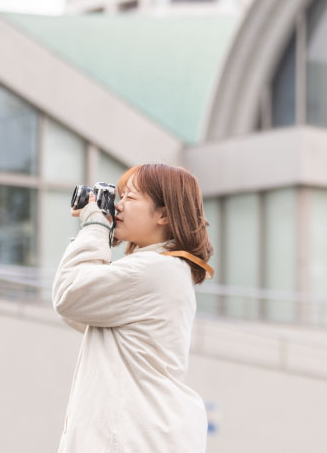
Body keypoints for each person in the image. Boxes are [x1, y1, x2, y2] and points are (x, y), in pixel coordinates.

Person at [52, 163, 215, 452]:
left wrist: (94, 228)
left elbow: (69, 294)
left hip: (130, 438)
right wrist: (100, 236)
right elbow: (82, 313)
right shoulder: (163, 269)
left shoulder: (156, 269)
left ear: (164, 214)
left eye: (130, 197)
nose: (118, 205)